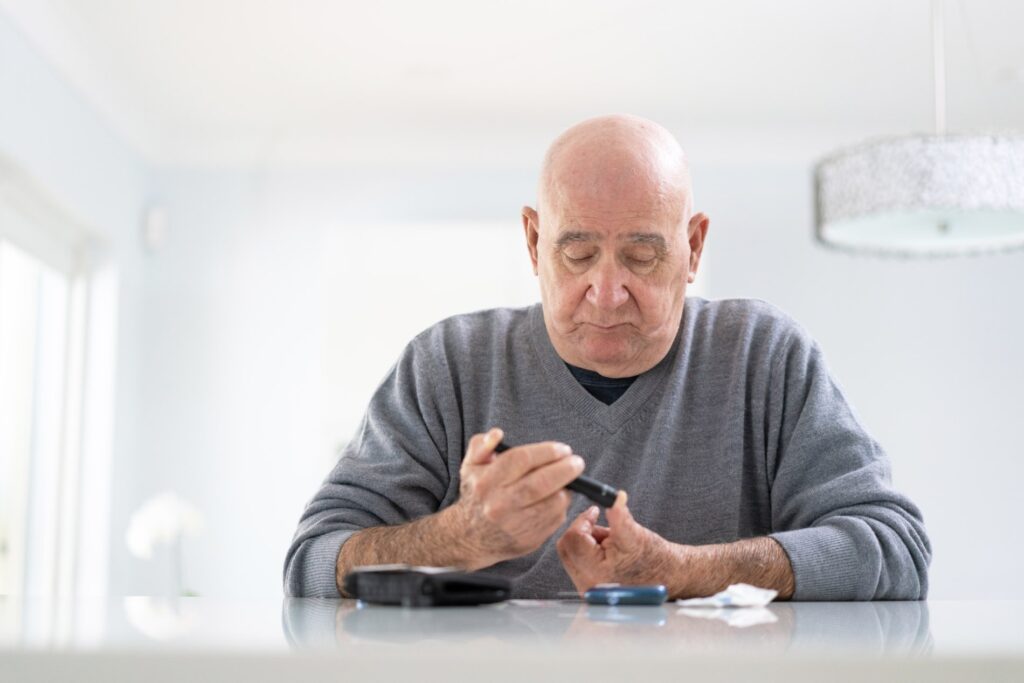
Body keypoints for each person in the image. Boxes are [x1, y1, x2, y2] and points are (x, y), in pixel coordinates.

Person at [284, 114, 931, 600]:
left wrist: (682, 571)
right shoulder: (446, 364)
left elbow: (897, 548)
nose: (607, 290)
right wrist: (465, 535)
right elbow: (312, 561)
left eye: (643, 255)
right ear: (534, 242)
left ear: (694, 247)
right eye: (578, 252)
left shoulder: (764, 356)